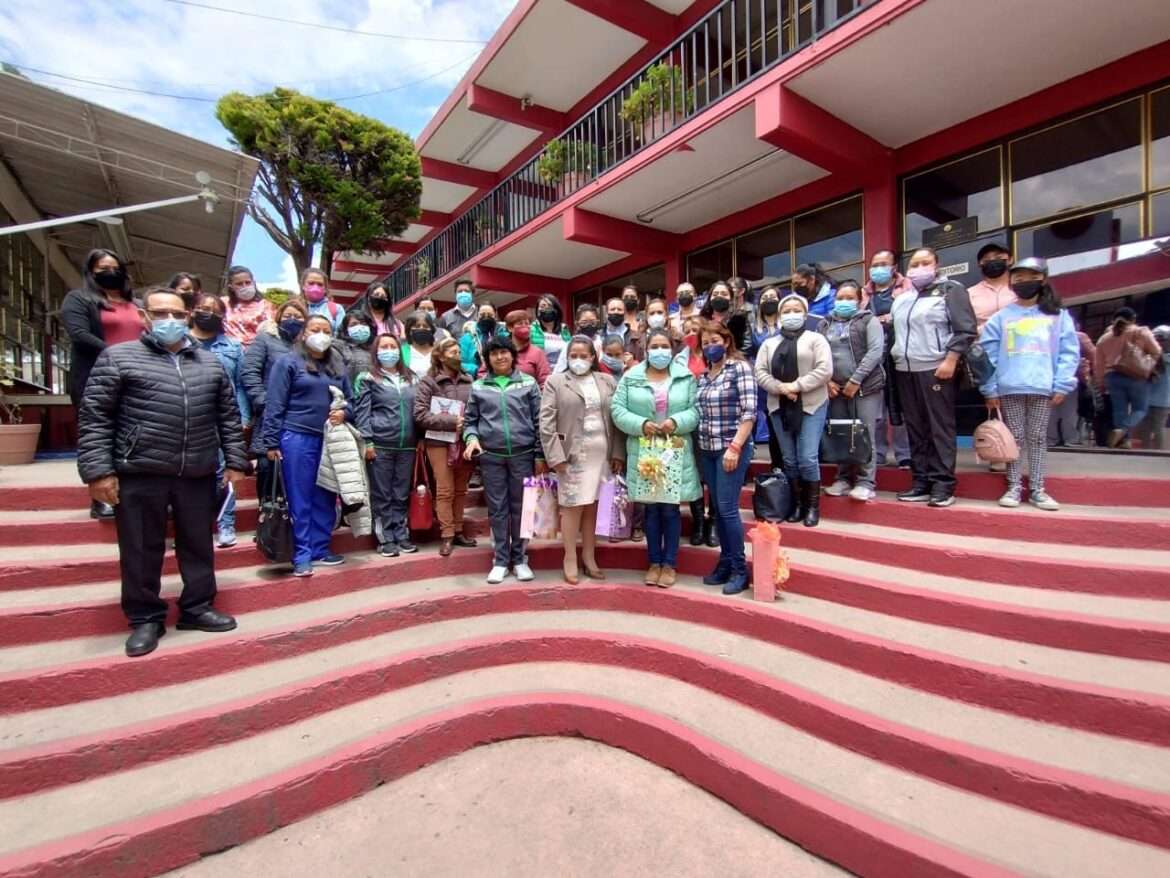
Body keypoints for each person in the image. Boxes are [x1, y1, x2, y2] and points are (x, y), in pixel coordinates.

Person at [77, 286, 245, 657]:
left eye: (177, 314)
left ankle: (197, 606)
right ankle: (145, 617)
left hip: (197, 468)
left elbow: (228, 417)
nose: (170, 321)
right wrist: (98, 472)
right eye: (161, 313)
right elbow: (95, 418)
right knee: (140, 547)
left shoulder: (210, 363)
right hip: (140, 469)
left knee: (198, 544)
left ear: (187, 317)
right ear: (145, 317)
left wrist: (235, 461)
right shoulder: (118, 358)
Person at [978, 258, 1080, 511]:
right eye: (1018, 278)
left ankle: (1037, 488)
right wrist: (990, 388)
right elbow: (986, 356)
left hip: (1042, 387)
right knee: (1014, 438)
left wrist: (1062, 384)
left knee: (1037, 437)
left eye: (1030, 277)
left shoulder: (1058, 316)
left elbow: (1069, 352)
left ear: (1043, 280)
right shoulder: (1001, 318)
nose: (1023, 283)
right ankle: (1013, 486)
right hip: (1009, 387)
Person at [262, 314, 352, 577]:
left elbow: (352, 401)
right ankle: (302, 553)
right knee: (300, 497)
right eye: (315, 329)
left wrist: (345, 414)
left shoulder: (337, 366)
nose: (321, 334)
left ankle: (321, 548)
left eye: (326, 330)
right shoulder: (288, 362)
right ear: (303, 333)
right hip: (297, 437)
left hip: (330, 438)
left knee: (325, 494)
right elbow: (275, 403)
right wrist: (271, 441)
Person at [611, 327, 701, 589]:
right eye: (655, 347)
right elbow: (617, 409)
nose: (660, 351)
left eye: (665, 347)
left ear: (671, 350)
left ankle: (669, 564)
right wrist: (641, 424)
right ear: (647, 350)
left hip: (674, 448)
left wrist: (676, 421)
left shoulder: (685, 377)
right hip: (644, 448)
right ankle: (653, 562)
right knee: (650, 508)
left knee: (671, 508)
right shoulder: (630, 377)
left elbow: (695, 411)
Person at [889, 247, 977, 507]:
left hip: (936, 368)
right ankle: (921, 481)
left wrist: (951, 359)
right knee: (916, 428)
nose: (919, 268)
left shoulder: (951, 290)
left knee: (939, 427)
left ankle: (943, 484)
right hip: (905, 370)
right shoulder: (902, 299)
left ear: (936, 265)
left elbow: (965, 329)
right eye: (914, 263)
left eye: (925, 262)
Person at [61, 249, 141, 519]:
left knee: (131, 435)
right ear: (91, 272)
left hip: (138, 379)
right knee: (99, 435)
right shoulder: (79, 299)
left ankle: (130, 493)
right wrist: (117, 356)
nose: (110, 271)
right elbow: (80, 334)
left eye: (115, 266)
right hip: (98, 377)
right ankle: (101, 498)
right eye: (102, 267)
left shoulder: (137, 304)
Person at [540, 337, 624, 583]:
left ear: (592, 357)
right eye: (573, 355)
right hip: (572, 456)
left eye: (583, 355)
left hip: (602, 453)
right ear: (567, 357)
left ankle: (589, 557)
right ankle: (569, 557)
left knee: (592, 507)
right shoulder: (556, 382)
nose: (578, 360)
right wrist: (555, 457)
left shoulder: (607, 381)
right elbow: (546, 424)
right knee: (572, 507)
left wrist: (618, 452)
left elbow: (616, 419)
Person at [463, 337, 544, 583]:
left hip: (523, 455)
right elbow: (470, 421)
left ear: (512, 355)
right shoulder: (478, 387)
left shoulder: (528, 383)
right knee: (498, 509)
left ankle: (520, 559)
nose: (500, 357)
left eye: (504, 352)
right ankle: (500, 560)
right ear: (487, 359)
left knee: (523, 509)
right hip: (491, 457)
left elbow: (540, 420)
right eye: (495, 354)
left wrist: (540, 454)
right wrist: (471, 439)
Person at [755, 294, 832, 526]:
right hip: (779, 405)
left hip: (811, 404)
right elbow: (760, 372)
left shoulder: (816, 339)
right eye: (786, 311)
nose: (791, 314)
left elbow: (825, 370)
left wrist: (796, 386)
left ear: (805, 313)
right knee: (789, 459)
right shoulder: (769, 343)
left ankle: (812, 507)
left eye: (795, 309)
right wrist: (780, 388)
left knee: (807, 457)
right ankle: (796, 504)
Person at [696, 320, 757, 593]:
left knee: (728, 508)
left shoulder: (739, 369)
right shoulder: (703, 376)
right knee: (718, 510)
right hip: (707, 450)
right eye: (705, 343)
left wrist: (735, 447)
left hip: (730, 449)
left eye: (715, 341)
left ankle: (740, 569)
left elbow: (749, 412)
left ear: (727, 341)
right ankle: (725, 562)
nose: (711, 346)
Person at [189, 293, 252, 547]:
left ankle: (226, 524)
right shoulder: (179, 343)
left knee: (225, 473)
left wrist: (244, 416)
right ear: (193, 311)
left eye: (215, 310)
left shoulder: (233, 347)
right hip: (188, 418)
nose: (208, 313)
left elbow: (240, 385)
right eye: (203, 308)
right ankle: (193, 527)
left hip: (224, 418)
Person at [818, 280, 885, 502]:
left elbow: (875, 351)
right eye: (840, 298)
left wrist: (856, 379)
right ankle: (843, 479)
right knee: (841, 433)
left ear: (859, 300)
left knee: (865, 434)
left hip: (865, 386)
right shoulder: (825, 324)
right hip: (835, 389)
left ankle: (866, 482)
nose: (844, 302)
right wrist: (827, 381)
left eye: (849, 298)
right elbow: (819, 355)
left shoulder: (868, 320)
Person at [354, 333, 419, 557]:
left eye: (393, 346)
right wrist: (367, 440)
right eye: (384, 346)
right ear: (376, 351)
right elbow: (362, 411)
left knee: (401, 493)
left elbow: (418, 410)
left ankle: (402, 535)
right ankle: (385, 538)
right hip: (380, 443)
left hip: (407, 445)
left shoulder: (411, 378)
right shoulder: (367, 377)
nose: (389, 350)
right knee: (382, 494)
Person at [415, 337, 478, 556]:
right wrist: (451, 422)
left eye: (459, 351)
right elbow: (420, 415)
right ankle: (447, 534)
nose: (457, 355)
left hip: (464, 442)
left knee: (461, 489)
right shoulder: (428, 381)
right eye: (452, 352)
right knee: (444, 490)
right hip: (438, 442)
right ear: (440, 356)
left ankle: (459, 530)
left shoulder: (469, 380)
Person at [241, 299, 309, 499]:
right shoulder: (265, 339)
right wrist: (264, 402)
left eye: (298, 317)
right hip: (270, 416)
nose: (293, 320)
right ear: (279, 318)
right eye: (288, 316)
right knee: (268, 469)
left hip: (300, 418)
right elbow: (249, 371)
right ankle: (268, 519)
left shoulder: (306, 346)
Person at [861, 249, 912, 468]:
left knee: (900, 406)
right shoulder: (865, 293)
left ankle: (904, 454)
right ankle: (878, 453)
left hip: (899, 353)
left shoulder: (906, 288)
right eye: (875, 264)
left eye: (883, 264)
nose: (877, 269)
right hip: (873, 356)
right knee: (876, 410)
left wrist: (891, 318)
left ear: (893, 268)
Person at [1094, 307, 1163, 448]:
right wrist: (1149, 364)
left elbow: (1099, 364)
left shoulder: (1104, 338)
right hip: (1137, 376)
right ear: (1133, 319)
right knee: (1140, 409)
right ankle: (1123, 430)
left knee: (1119, 410)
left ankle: (1123, 441)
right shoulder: (1141, 332)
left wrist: (1100, 381)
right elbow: (1157, 351)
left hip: (1112, 377)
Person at [750, 285, 785, 455]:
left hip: (786, 380)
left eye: (773, 297)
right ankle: (775, 469)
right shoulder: (753, 328)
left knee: (783, 428)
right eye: (765, 298)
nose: (769, 301)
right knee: (770, 426)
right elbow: (748, 352)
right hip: (761, 382)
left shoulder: (786, 325)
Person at [966, 243, 1015, 332]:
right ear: (980, 264)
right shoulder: (969, 293)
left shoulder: (1020, 287)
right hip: (984, 343)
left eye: (998, 256)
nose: (992, 260)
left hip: (1021, 342)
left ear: (1010, 259)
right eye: (987, 259)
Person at [1135, 326, 1170, 450]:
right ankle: (1150, 453)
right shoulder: (1151, 356)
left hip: (1158, 399)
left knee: (1154, 428)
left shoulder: (1159, 357)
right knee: (1149, 428)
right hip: (1153, 398)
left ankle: (1154, 453)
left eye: (1161, 339)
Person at [221, 265, 273, 345]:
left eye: (248, 282)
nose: (244, 286)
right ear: (231, 287)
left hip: (254, 353)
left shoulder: (265, 306)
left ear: (254, 282)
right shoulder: (223, 303)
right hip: (226, 351)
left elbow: (270, 333)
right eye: (239, 284)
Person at [503, 310, 551, 386]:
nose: (525, 326)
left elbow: (545, 380)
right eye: (520, 323)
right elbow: (484, 374)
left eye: (527, 323)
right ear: (510, 328)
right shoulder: (500, 350)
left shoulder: (537, 353)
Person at [552, 304, 604, 373]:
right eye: (584, 322)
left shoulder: (602, 342)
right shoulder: (570, 345)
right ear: (577, 324)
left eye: (592, 322)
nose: (589, 325)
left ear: (598, 321)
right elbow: (559, 372)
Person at [300, 268, 346, 333]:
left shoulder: (336, 309)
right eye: (311, 283)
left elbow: (341, 334)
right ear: (303, 286)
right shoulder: (297, 308)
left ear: (325, 289)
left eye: (320, 284)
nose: (315, 287)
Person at [531, 294, 571, 368]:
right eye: (542, 306)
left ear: (557, 309)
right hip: (542, 374)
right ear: (537, 311)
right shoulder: (531, 330)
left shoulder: (564, 330)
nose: (546, 309)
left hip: (563, 374)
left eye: (549, 306)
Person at [337, 311, 376, 380]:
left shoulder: (376, 349)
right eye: (354, 324)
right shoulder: (339, 348)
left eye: (363, 324)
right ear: (346, 330)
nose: (360, 327)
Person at [401, 309, 438, 380]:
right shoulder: (402, 352)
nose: (421, 328)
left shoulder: (439, 350)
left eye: (425, 326)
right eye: (417, 326)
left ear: (431, 329)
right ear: (409, 330)